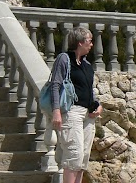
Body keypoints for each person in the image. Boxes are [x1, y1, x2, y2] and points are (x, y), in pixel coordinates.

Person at [50, 27, 103, 183]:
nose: (92, 44)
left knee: (83, 158)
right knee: (74, 155)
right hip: (72, 112)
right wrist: (56, 111)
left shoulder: (86, 64)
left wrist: (97, 106)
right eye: (89, 41)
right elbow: (55, 85)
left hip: (88, 114)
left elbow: (88, 90)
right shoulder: (64, 59)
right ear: (80, 42)